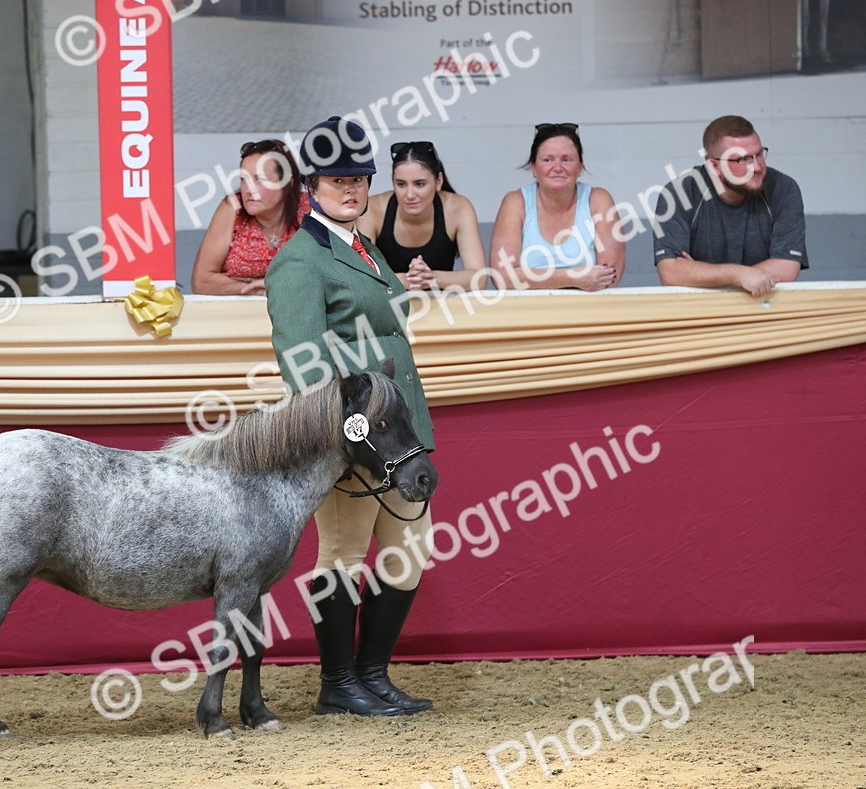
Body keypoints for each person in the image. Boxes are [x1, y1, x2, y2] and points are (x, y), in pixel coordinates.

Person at [264, 116, 435, 717]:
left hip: (398, 429)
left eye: (361, 179)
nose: (353, 189)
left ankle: (372, 675)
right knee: (343, 551)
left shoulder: (363, 246)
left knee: (409, 550)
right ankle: (338, 683)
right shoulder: (299, 261)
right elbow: (302, 363)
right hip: (355, 435)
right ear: (311, 185)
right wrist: (350, 437)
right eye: (339, 180)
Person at [653, 115, 808, 297]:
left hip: (764, 312)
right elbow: (671, 273)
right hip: (700, 314)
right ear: (714, 166)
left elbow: (787, 268)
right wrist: (741, 275)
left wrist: (700, 274)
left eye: (759, 154)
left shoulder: (784, 188)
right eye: (743, 160)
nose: (757, 167)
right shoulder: (679, 193)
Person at [489, 123, 625, 290]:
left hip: (587, 312)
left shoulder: (598, 199)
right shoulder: (516, 202)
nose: (558, 168)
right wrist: (575, 278)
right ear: (533, 167)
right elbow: (502, 278)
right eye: (548, 160)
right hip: (529, 312)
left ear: (581, 167)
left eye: (566, 159)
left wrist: (530, 277)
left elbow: (609, 276)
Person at [359, 141, 487, 290]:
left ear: (438, 181)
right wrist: (409, 280)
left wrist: (433, 277)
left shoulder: (458, 208)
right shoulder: (373, 209)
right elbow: (361, 278)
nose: (410, 195)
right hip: (388, 308)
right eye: (401, 184)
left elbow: (479, 278)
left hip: (442, 307)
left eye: (419, 184)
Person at [190, 139, 309, 295]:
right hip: (240, 314)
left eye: (260, 179)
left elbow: (334, 274)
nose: (249, 189)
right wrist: (257, 288)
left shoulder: (309, 209)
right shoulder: (232, 208)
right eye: (244, 179)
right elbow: (201, 282)